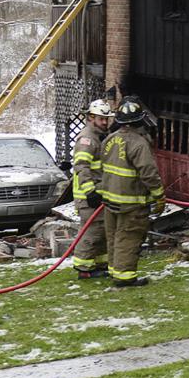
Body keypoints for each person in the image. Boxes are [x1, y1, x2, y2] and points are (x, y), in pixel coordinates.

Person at [98, 97, 165, 287]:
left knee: (114, 237)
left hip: (109, 199)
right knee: (128, 237)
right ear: (139, 121)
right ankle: (125, 277)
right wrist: (159, 196)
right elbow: (149, 173)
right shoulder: (138, 143)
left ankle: (114, 270)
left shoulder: (110, 139)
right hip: (131, 202)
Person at [70, 99, 114, 279]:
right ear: (90, 118)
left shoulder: (101, 136)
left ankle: (99, 264)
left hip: (99, 194)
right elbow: (81, 166)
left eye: (106, 119)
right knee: (91, 231)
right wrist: (90, 192)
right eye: (100, 119)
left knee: (103, 230)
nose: (105, 122)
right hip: (88, 196)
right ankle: (84, 268)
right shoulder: (87, 139)